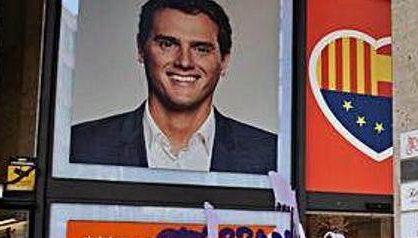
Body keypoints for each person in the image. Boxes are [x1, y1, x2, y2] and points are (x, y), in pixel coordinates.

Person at [70, 0, 276, 174]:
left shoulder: (271, 156)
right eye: (168, 44)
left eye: (201, 49)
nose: (184, 62)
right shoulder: (81, 146)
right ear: (141, 50)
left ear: (224, 62)